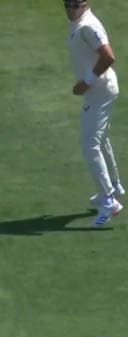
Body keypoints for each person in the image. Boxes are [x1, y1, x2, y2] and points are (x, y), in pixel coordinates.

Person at [65, 0, 123, 226]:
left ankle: (109, 200)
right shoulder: (79, 22)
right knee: (101, 140)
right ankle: (114, 186)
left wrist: (86, 83)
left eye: (74, 4)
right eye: (66, 4)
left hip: (99, 92)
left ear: (85, 3)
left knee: (90, 145)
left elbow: (108, 56)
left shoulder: (88, 26)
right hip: (98, 92)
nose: (69, 9)